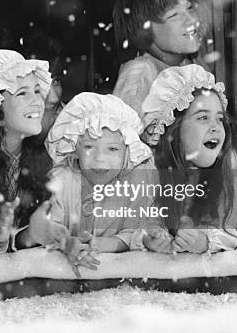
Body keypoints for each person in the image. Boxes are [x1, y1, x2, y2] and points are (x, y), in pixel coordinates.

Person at [0, 49, 97, 274]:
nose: (38, 101)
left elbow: (25, 237)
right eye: (22, 93)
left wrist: (58, 238)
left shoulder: (42, 159)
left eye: (38, 91)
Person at [141, 64, 237, 254]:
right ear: (174, 129)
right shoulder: (149, 168)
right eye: (203, 117)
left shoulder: (228, 162)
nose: (215, 127)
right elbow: (134, 228)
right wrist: (150, 240)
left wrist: (201, 241)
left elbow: (228, 231)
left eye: (220, 119)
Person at [45, 93, 160, 252]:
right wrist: (65, 241)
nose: (99, 159)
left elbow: (135, 230)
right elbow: (49, 225)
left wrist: (109, 243)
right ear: (75, 149)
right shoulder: (63, 179)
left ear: (127, 152)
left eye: (112, 149)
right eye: (89, 147)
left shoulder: (135, 182)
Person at [113, 0, 206, 127]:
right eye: (174, 15)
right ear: (144, 28)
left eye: (190, 8)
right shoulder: (139, 73)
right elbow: (123, 137)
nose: (191, 20)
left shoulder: (190, 62)